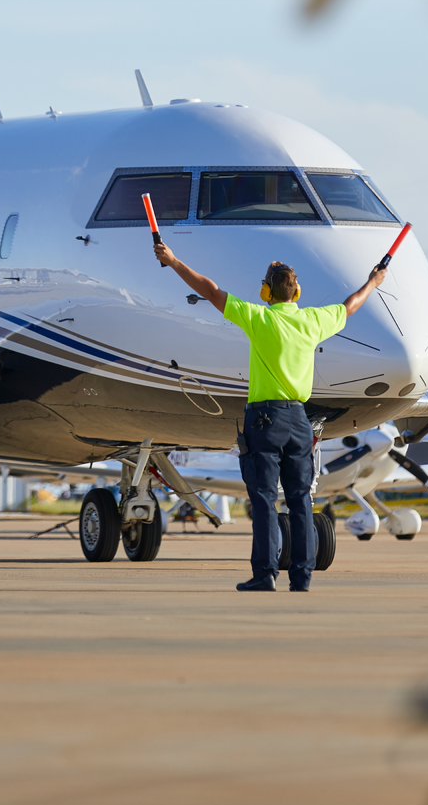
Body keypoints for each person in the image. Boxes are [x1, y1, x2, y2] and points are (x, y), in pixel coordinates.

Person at [153, 241, 386, 591]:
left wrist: (173, 262)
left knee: (263, 499)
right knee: (300, 501)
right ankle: (302, 578)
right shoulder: (313, 320)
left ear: (266, 292)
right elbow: (350, 306)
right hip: (300, 421)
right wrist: (372, 282)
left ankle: (265, 575)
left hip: (266, 419)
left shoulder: (259, 318)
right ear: (297, 293)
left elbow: (209, 289)